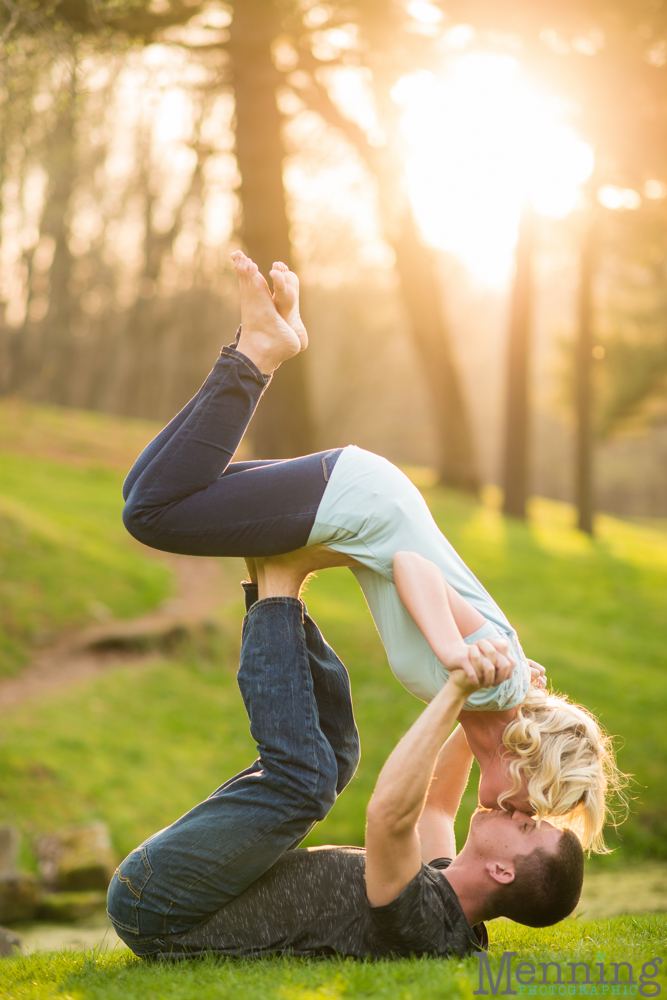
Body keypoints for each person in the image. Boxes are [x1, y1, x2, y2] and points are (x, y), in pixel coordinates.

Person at [120, 252, 623, 852]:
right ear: (529, 766)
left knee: (150, 492)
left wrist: (497, 676)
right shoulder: (493, 685)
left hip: (367, 496)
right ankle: (259, 351)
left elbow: (440, 794)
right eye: (533, 806)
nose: (517, 814)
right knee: (154, 511)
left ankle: (253, 344)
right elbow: (416, 568)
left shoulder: (491, 698)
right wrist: (449, 653)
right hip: (359, 507)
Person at [107, 561, 584, 960]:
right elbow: (436, 805)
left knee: (303, 783)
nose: (516, 810)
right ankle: (267, 581)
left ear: (503, 872)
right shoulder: (443, 891)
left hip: (163, 905)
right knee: (337, 755)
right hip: (184, 897)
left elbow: (389, 816)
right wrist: (487, 714)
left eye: (525, 827)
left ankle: (279, 585)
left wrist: (457, 688)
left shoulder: (425, 926)